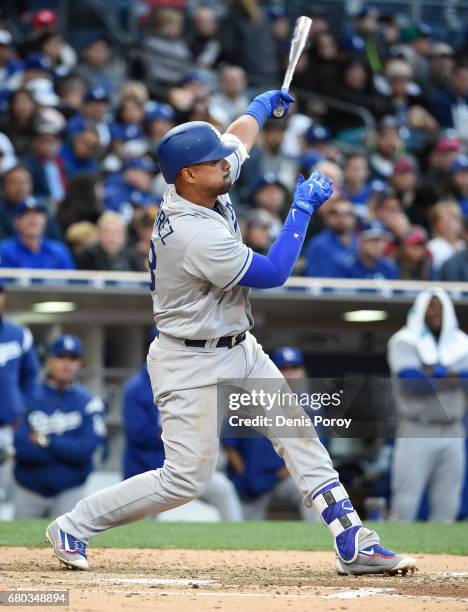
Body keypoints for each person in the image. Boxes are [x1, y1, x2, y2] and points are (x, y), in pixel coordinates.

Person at [46, 88, 415, 576]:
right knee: (186, 479)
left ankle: (352, 538)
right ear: (189, 174)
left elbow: (238, 137)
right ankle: (75, 524)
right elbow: (275, 272)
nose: (227, 163)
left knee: (298, 433)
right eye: (214, 160)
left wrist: (263, 105)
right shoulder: (193, 232)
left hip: (239, 346)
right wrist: (301, 211)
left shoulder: (201, 180)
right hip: (187, 357)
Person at [123, 361, 243, 521]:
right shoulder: (136, 388)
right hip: (147, 469)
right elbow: (138, 433)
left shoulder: (188, 382)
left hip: (186, 468)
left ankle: (238, 543)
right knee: (140, 526)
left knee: (223, 490)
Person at [387, 289, 467, 521]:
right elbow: (415, 383)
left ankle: (442, 557)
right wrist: (454, 377)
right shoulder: (405, 340)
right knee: (405, 503)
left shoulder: (461, 342)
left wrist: (435, 373)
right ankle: (396, 554)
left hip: (453, 429)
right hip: (416, 428)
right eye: (431, 306)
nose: (436, 312)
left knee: (448, 504)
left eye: (440, 306)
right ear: (420, 310)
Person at [14, 335, 106, 519]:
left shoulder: (88, 402)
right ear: (49, 360)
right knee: (18, 546)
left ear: (80, 363)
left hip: (70, 492)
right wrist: (66, 448)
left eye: (73, 358)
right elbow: (22, 448)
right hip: (29, 491)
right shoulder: (28, 397)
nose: (67, 364)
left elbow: (85, 450)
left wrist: (45, 440)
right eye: (61, 357)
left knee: (66, 547)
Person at [223, 346, 318, 521]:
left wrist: (277, 476)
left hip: (287, 477)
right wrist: (245, 474)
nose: (289, 374)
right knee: (243, 530)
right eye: (283, 369)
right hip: (250, 478)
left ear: (302, 371)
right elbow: (229, 443)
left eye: (294, 368)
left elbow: (313, 452)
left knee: (314, 489)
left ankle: (319, 543)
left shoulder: (310, 407)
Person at [0, 279, 39, 510]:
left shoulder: (18, 334)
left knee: (6, 496)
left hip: (7, 427)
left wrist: (21, 409)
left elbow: (31, 378)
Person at [0, 198, 74, 270]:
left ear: (45, 220)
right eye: (26, 214)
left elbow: (71, 280)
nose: (33, 218)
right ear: (17, 222)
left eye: (38, 214)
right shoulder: (4, 251)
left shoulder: (59, 251)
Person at [304, 198, 357, 278]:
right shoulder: (318, 245)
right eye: (334, 213)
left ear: (354, 218)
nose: (341, 218)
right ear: (327, 217)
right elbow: (316, 280)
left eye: (347, 213)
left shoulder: (360, 243)